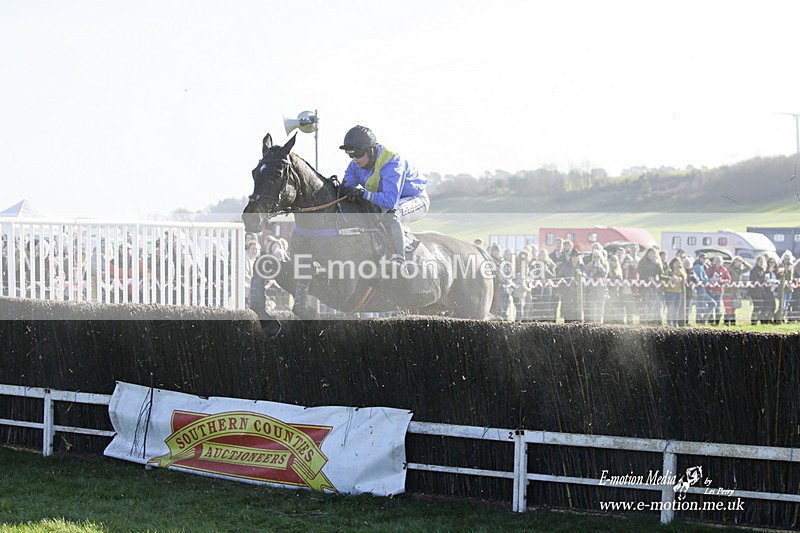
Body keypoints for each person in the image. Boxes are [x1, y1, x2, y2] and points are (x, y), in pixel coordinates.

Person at [338, 125, 429, 266]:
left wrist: (362, 193)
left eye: (359, 154)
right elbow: (345, 189)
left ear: (371, 150)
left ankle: (399, 260)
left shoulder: (392, 162)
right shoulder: (354, 165)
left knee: (391, 214)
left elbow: (390, 201)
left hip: (416, 199)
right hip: (388, 200)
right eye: (351, 155)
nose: (355, 159)